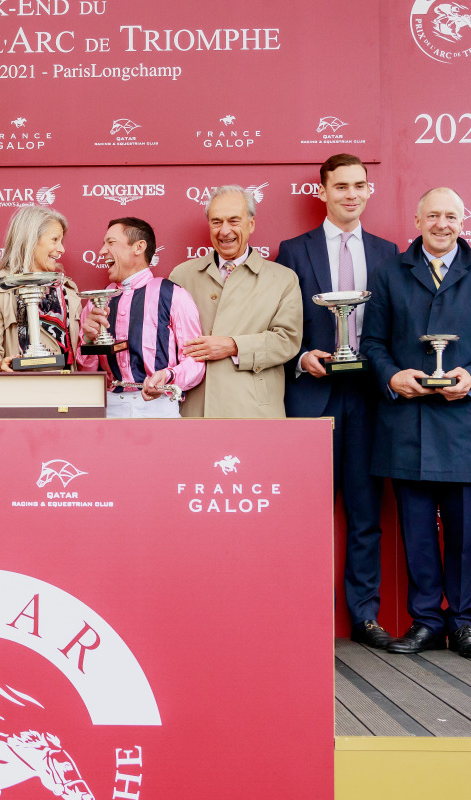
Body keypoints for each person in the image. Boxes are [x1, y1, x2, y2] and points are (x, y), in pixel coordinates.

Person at [359, 187, 471, 659]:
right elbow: (373, 344)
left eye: (451, 215)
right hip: (405, 423)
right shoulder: (390, 273)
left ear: (463, 220)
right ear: (417, 219)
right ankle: (426, 621)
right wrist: (393, 376)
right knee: (417, 533)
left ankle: (463, 624)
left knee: (464, 536)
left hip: (463, 424)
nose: (442, 223)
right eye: (433, 215)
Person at [275, 155, 399, 649]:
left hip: (370, 398)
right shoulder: (292, 250)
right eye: (340, 186)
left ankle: (364, 617)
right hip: (311, 394)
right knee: (308, 512)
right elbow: (280, 319)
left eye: (359, 186)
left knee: (366, 513)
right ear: (322, 192)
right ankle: (303, 612)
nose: (350, 194)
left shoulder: (389, 253)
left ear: (369, 191)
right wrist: (301, 357)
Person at [169, 185, 302, 417]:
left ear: (251, 224)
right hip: (195, 411)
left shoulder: (283, 279)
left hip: (253, 412)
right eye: (216, 222)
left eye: (234, 221)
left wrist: (233, 346)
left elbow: (286, 341)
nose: (224, 230)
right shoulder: (182, 276)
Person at [78, 217, 205, 418]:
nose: (102, 251)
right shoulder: (96, 301)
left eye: (110, 243)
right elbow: (85, 374)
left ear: (139, 247)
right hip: (107, 407)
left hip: (159, 406)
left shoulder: (174, 295)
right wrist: (87, 340)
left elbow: (196, 362)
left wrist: (167, 377)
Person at [0, 205, 80, 372]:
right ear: (30, 240)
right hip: (19, 391)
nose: (61, 249)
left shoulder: (67, 289)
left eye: (61, 241)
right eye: (55, 240)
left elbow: (79, 354)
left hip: (64, 391)